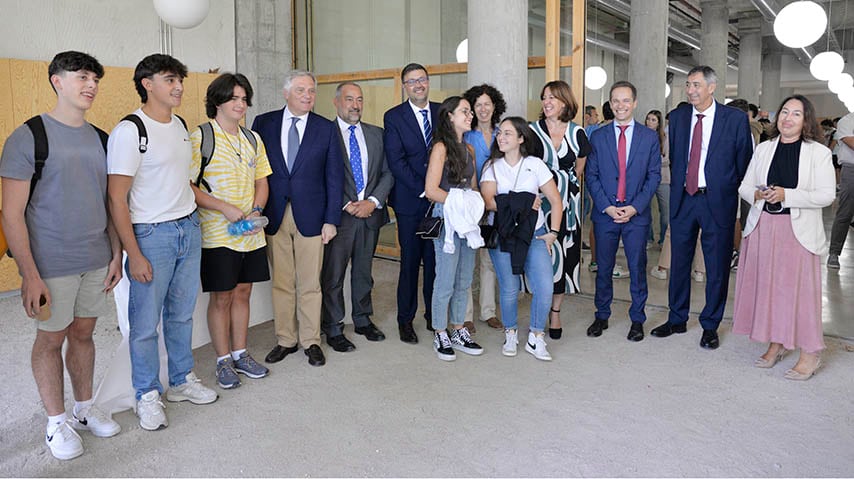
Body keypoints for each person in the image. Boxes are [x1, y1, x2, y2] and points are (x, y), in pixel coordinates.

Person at [0, 51, 122, 460]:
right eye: (82, 76)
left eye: (95, 79)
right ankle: (55, 422)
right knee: (50, 340)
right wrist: (29, 274)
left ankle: (84, 409)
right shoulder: (29, 136)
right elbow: (12, 215)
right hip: (50, 264)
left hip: (95, 259)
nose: (91, 85)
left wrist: (116, 253)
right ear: (57, 81)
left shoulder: (103, 139)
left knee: (84, 335)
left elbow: (109, 204)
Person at [108, 54, 217, 431]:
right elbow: (116, 198)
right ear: (146, 84)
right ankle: (146, 393)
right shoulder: (130, 131)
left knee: (182, 313)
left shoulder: (180, 124)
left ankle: (182, 380)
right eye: (170, 79)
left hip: (188, 227)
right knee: (143, 324)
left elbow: (182, 180)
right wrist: (132, 253)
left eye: (180, 80)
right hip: (151, 235)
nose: (179, 87)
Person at [650, 65, 753, 350]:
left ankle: (710, 325)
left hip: (716, 201)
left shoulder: (733, 120)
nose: (691, 90)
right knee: (679, 262)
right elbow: (677, 157)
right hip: (683, 199)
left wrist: (733, 191)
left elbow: (745, 162)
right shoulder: (679, 117)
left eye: (696, 85)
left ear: (712, 87)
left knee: (716, 266)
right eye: (688, 85)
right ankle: (677, 318)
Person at [732, 94, 835, 380]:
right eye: (784, 112)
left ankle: (810, 351)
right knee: (769, 289)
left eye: (796, 114)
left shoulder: (819, 153)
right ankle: (776, 343)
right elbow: (744, 186)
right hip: (764, 225)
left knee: (801, 293)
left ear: (806, 121)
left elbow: (826, 195)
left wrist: (786, 195)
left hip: (798, 230)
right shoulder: (764, 148)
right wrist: (757, 194)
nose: (788, 118)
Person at [251, 69, 343, 367]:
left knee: (310, 283)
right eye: (301, 90)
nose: (308, 96)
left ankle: (311, 341)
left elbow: (334, 177)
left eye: (312, 91)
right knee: (282, 282)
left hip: (313, 217)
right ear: (286, 92)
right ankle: (286, 339)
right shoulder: (263, 124)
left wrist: (331, 219)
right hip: (274, 214)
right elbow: (256, 172)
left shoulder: (326, 128)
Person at [189, 73, 272, 389]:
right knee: (221, 296)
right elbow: (188, 186)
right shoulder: (201, 137)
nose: (240, 104)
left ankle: (241, 353)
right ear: (218, 101)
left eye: (243, 98)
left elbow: (262, 181)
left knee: (243, 292)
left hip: (251, 232)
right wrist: (222, 207)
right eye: (234, 98)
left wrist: (257, 209)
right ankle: (222, 360)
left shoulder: (252, 139)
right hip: (217, 235)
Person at [481, 117, 563, 360]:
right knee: (509, 288)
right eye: (500, 133)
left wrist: (553, 233)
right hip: (504, 234)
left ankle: (536, 337)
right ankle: (511, 332)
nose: (502, 137)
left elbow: (556, 201)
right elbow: (489, 202)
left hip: (535, 234)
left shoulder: (535, 164)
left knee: (545, 287)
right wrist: (526, 201)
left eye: (508, 133)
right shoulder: (491, 167)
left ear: (520, 138)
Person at [585, 81, 661, 342]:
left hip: (636, 216)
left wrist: (634, 207)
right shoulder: (598, 136)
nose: (620, 106)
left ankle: (637, 318)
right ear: (610, 103)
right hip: (605, 214)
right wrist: (607, 206)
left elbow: (653, 176)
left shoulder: (649, 137)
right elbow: (591, 175)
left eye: (626, 100)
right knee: (603, 267)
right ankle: (602, 314)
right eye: (616, 101)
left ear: (635, 103)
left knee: (637, 267)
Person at [320, 82, 393, 351]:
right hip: (340, 216)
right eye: (349, 99)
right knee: (333, 274)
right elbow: (320, 174)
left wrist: (372, 202)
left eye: (359, 99)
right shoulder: (324, 133)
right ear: (336, 102)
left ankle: (362, 319)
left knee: (364, 272)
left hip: (369, 214)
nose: (355, 105)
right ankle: (333, 327)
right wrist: (345, 204)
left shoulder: (377, 134)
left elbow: (388, 172)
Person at [529, 80, 592, 340]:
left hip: (569, 205)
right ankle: (538, 308)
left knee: (565, 258)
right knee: (540, 255)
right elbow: (526, 166)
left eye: (553, 98)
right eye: (544, 97)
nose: (547, 102)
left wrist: (564, 191)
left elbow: (578, 169)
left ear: (565, 101)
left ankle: (555, 311)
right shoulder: (532, 131)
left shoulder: (578, 133)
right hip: (539, 203)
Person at [424, 96, 484, 361]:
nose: (470, 115)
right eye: (464, 111)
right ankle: (440, 331)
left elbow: (472, 188)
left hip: (468, 221)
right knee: (445, 278)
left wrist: (471, 204)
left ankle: (458, 328)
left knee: (464, 279)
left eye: (470, 112)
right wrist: (459, 202)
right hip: (447, 216)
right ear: (449, 116)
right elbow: (431, 190)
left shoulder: (469, 150)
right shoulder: (440, 148)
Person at [383, 63, 439, 344]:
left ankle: (433, 316)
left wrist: (438, 192)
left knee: (434, 262)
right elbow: (397, 161)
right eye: (412, 81)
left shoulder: (442, 112)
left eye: (422, 80)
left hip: (439, 204)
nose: (418, 85)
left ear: (428, 82)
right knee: (409, 263)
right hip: (410, 203)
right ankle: (405, 320)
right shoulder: (394, 117)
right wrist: (426, 189)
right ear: (404, 86)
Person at [462, 83, 506, 331]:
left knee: (489, 259)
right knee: (468, 259)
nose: (482, 109)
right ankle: (466, 314)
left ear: (494, 106)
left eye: (487, 104)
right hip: (470, 203)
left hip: (495, 205)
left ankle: (488, 311)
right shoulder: (466, 135)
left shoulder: (503, 133)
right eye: (477, 105)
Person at [827, 110, 854, 270]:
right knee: (845, 212)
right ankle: (834, 253)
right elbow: (851, 142)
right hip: (851, 169)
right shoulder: (847, 121)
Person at [645, 109, 669, 246]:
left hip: (663, 178)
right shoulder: (642, 136)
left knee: (665, 212)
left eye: (653, 120)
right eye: (648, 119)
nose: (650, 122)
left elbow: (668, 159)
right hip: (645, 179)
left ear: (659, 123)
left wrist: (653, 162)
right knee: (645, 211)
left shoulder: (665, 138)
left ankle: (664, 241)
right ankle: (648, 238)